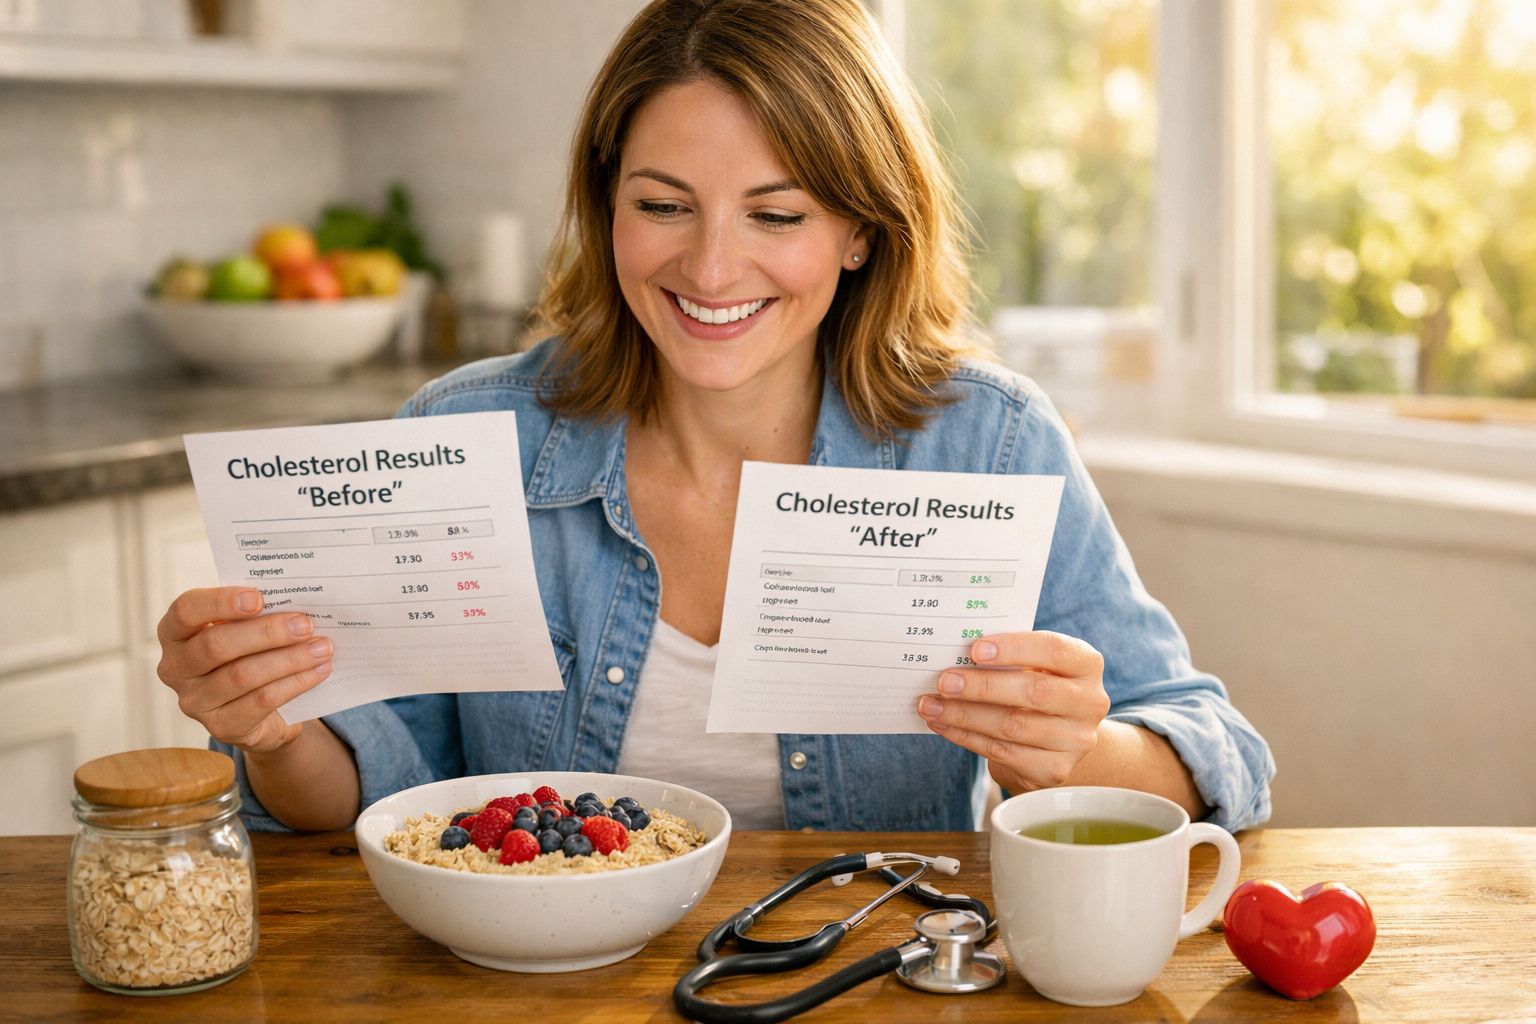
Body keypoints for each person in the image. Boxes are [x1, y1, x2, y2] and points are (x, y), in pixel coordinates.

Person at [155, 0, 1274, 834]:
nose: (711, 265)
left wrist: (1072, 748)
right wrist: (276, 729)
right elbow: (386, 797)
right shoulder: (467, 439)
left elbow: (1222, 761)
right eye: (661, 206)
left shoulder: (988, 445)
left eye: (775, 212)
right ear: (606, 210)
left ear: (861, 229)